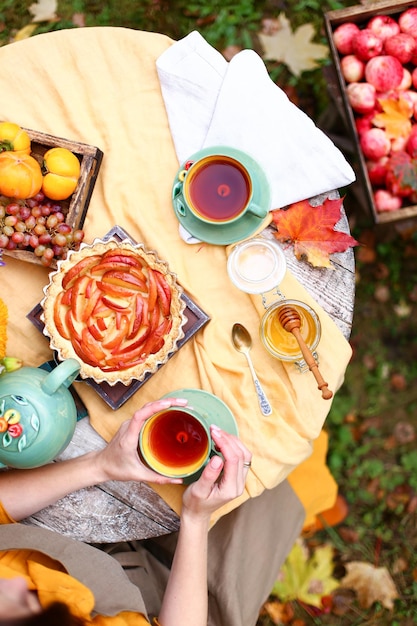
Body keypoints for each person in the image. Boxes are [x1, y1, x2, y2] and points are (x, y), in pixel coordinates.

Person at [0, 396, 304, 626]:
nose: (18, 585)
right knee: (256, 499)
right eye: (26, 604)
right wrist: (196, 519)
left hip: (51, 539)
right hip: (146, 598)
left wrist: (101, 464)